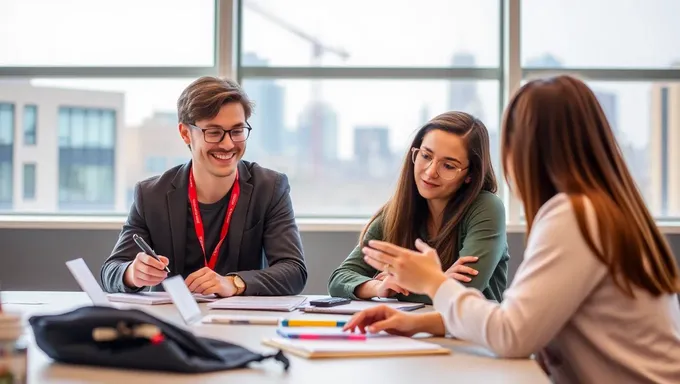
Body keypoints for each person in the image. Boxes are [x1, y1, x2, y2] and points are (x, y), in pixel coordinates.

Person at [344, 76, 680, 383]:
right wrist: (415, 321)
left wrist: (432, 280)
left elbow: (511, 336)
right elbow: (517, 318)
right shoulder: (602, 209)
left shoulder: (575, 215)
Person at [101, 76, 307, 297]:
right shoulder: (152, 194)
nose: (228, 144)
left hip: (242, 323)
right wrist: (132, 273)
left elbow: (294, 271)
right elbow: (110, 272)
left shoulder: (269, 188)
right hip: (173, 322)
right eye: (214, 132)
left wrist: (234, 283)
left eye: (237, 131)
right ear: (185, 133)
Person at [328, 111, 509, 304]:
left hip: (468, 332)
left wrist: (412, 284)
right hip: (408, 330)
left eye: (448, 166)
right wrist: (380, 287)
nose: (430, 172)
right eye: (425, 155)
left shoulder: (487, 207)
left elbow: (464, 292)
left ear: (470, 175)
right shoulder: (398, 211)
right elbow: (339, 279)